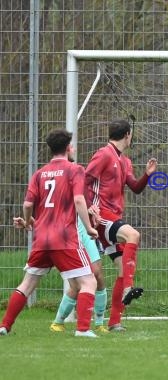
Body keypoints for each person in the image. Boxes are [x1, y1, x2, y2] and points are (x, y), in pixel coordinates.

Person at [1, 129, 99, 338]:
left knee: (27, 284)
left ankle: (4, 326)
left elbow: (28, 204)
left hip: (41, 240)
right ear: (67, 148)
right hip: (65, 238)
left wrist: (28, 222)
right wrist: (89, 227)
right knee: (89, 281)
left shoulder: (39, 174)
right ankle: (83, 329)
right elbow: (79, 200)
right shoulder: (75, 170)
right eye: (72, 145)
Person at [85, 119, 157, 332]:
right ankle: (128, 288)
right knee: (133, 235)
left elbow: (135, 187)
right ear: (128, 134)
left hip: (112, 217)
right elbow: (84, 180)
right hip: (101, 217)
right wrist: (90, 207)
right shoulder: (103, 154)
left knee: (120, 270)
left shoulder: (124, 161)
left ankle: (114, 322)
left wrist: (147, 175)